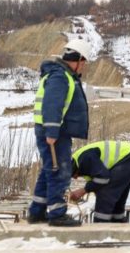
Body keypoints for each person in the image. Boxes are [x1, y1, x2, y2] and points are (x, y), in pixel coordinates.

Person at [27, 39, 92, 227]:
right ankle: (57, 214)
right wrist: (52, 131)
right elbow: (52, 105)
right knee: (59, 171)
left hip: (54, 130)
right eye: (84, 63)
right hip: (54, 132)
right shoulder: (60, 77)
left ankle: (37, 212)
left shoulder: (61, 74)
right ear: (78, 59)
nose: (84, 67)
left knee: (49, 170)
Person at [69, 140, 130, 223]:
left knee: (106, 193)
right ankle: (117, 222)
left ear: (74, 168)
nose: (76, 177)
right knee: (115, 198)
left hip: (127, 157)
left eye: (74, 175)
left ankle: (100, 227)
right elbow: (97, 184)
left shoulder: (85, 159)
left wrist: (83, 191)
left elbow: (103, 178)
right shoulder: (81, 163)